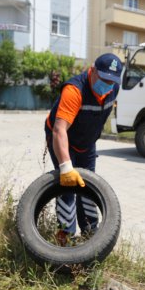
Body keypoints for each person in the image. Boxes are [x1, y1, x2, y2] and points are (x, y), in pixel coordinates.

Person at [44, 53, 123, 244]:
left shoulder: (114, 88)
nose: (107, 84)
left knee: (87, 188)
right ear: (93, 70)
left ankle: (90, 234)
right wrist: (65, 167)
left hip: (87, 142)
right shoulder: (74, 90)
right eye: (103, 79)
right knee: (68, 186)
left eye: (111, 81)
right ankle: (65, 236)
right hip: (63, 140)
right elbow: (59, 130)